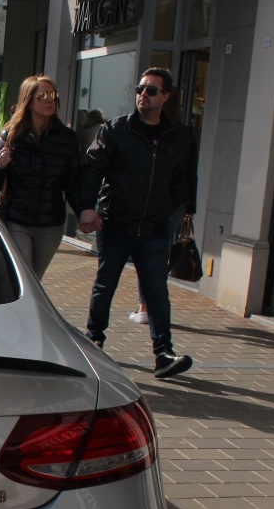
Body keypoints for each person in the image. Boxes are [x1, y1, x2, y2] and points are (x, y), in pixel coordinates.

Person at [79, 67, 196, 379]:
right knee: (106, 285)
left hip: (155, 228)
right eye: (140, 89)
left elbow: (183, 178)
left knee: (157, 290)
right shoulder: (115, 130)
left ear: (165, 96)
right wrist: (86, 209)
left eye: (152, 90)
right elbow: (93, 170)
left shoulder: (177, 137)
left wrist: (177, 207)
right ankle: (94, 340)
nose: (143, 95)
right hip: (116, 223)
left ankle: (163, 354)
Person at [0, 75, 86, 281]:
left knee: (35, 280)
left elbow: (72, 181)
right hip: (17, 219)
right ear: (28, 101)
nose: (49, 100)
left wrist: (83, 212)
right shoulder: (11, 135)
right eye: (43, 96)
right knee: (23, 276)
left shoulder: (66, 138)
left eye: (53, 95)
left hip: (51, 223)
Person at [129, 91, 198, 325]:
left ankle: (146, 306)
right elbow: (191, 174)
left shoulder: (151, 130)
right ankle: (152, 306)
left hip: (154, 202)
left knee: (146, 254)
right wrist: (190, 205)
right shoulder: (184, 132)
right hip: (176, 204)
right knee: (159, 254)